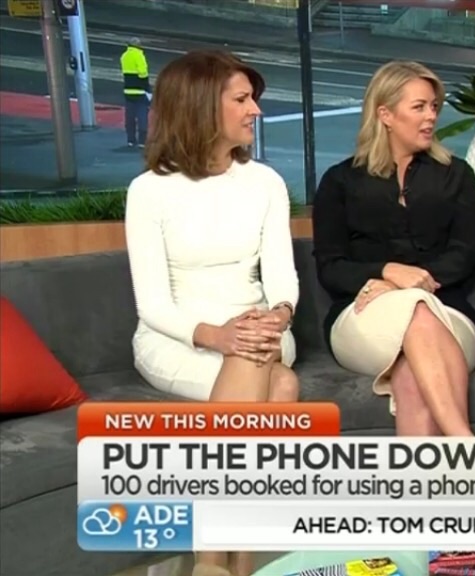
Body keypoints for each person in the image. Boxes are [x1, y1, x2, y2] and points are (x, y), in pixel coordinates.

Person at [125, 50, 300, 576]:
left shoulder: (265, 182)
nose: (256, 111)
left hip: (262, 327)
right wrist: (216, 335)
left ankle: (209, 562)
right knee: (282, 388)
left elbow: (282, 279)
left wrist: (279, 316)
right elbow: (152, 304)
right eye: (242, 99)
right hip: (177, 337)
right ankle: (238, 563)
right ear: (202, 106)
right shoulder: (148, 191)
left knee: (253, 351)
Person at [312, 60, 475, 437]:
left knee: (411, 369)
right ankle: (466, 444)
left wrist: (401, 284)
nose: (431, 116)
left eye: (434, 106)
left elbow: (465, 255)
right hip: (362, 316)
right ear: (385, 114)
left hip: (448, 316)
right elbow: (331, 267)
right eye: (419, 107)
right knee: (415, 309)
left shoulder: (458, 175)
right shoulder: (340, 181)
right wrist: (387, 271)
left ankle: (440, 465)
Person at [120, 37, 150, 146]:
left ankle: (131, 140)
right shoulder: (139, 55)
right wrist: (147, 88)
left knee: (130, 117)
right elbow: (143, 73)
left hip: (128, 90)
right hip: (140, 91)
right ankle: (142, 141)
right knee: (142, 116)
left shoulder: (124, 56)